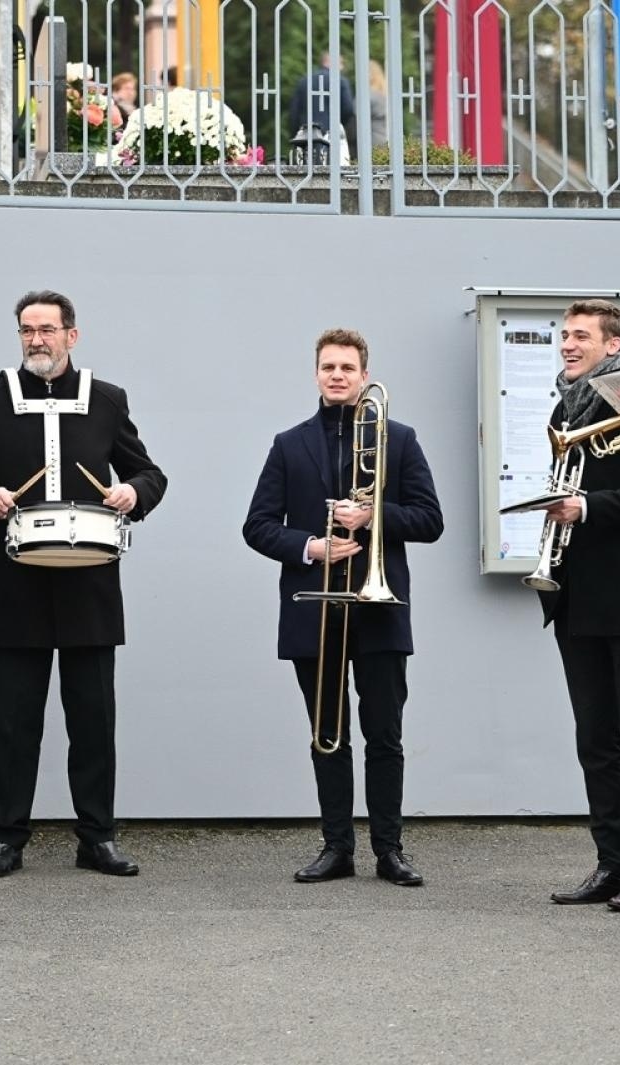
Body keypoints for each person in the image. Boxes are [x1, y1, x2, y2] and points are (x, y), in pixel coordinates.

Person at [0, 290, 167, 878]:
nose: (36, 340)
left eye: (47, 330)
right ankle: (7, 838)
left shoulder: (107, 399)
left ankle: (97, 838)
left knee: (93, 719)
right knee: (14, 720)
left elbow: (148, 472)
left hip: (91, 583)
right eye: (27, 330)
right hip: (16, 582)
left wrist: (135, 494)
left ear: (71, 336)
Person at [243, 328, 442, 886]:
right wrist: (310, 545)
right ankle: (337, 848)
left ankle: (390, 850)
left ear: (364, 374)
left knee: (385, 736)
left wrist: (374, 514)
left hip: (379, 609)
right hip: (316, 609)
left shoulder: (398, 439)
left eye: (347, 368)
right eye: (328, 367)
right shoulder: (289, 443)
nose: (337, 375)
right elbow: (256, 526)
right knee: (327, 734)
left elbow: (431, 519)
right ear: (316, 374)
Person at [537, 300, 620, 913]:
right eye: (565, 335)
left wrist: (589, 508)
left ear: (613, 345)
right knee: (593, 737)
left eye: (582, 336)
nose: (569, 343)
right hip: (578, 593)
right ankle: (611, 864)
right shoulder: (562, 408)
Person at [288, 53, 357, 164]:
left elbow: (294, 113)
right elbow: (348, 109)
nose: (342, 67)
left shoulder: (304, 81)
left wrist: (296, 133)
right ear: (328, 62)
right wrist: (339, 123)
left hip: (307, 133)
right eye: (340, 63)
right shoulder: (340, 81)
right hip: (331, 134)